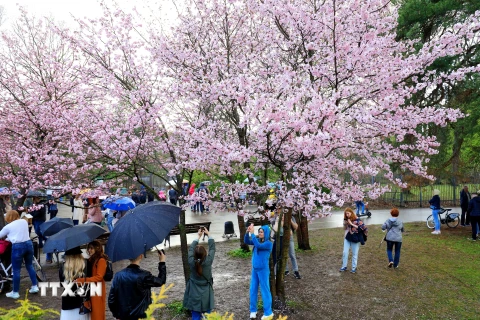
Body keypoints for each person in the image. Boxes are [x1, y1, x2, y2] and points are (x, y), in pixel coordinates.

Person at [108, 250, 167, 320]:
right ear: (141, 256)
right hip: (141, 316)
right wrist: (162, 262)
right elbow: (161, 281)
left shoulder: (118, 275)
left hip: (123, 316)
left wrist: (117, 314)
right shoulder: (144, 275)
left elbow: (111, 299)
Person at [0, 210, 39, 299]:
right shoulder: (24, 222)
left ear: (8, 217)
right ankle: (34, 286)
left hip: (18, 247)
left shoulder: (8, 227)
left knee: (16, 270)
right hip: (28, 244)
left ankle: (15, 292)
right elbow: (18, 233)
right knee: (29, 266)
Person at [183, 227, 215, 320]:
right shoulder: (208, 261)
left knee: (195, 315)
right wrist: (208, 235)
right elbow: (212, 248)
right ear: (205, 254)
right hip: (206, 291)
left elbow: (190, 250)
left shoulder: (191, 261)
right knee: (208, 315)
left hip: (194, 290)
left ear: (194, 254)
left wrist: (198, 237)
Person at [244, 224, 273, 320]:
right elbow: (246, 241)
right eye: (259, 232)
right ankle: (253, 310)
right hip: (255, 269)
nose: (260, 233)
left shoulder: (268, 243)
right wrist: (247, 232)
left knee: (265, 291)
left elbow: (258, 246)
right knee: (253, 290)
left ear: (266, 233)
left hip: (263, 270)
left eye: (262, 232)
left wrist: (252, 234)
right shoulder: (258, 241)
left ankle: (268, 312)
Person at [77, 240, 107, 320]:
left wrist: (84, 280)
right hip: (92, 288)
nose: (89, 250)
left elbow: (99, 277)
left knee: (97, 313)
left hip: (98, 289)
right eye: (88, 248)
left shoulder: (101, 260)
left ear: (97, 248)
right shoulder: (92, 259)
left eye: (91, 248)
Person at [59, 247, 89, 320]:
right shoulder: (85, 265)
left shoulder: (63, 267)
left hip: (68, 301)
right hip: (81, 299)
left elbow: (61, 283)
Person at [271, 211, 301, 279]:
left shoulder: (291, 217)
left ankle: (296, 270)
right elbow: (275, 230)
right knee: (283, 254)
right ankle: (286, 270)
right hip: (280, 238)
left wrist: (290, 220)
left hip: (289, 238)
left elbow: (296, 227)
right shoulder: (277, 219)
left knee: (292, 254)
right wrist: (279, 221)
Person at [339, 208, 366, 274]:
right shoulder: (346, 220)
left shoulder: (357, 220)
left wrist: (352, 224)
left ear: (351, 212)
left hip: (355, 239)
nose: (347, 215)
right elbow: (345, 228)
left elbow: (363, 228)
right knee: (345, 252)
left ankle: (354, 268)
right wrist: (345, 223)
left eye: (348, 213)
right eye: (346, 214)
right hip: (347, 238)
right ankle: (344, 266)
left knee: (354, 253)